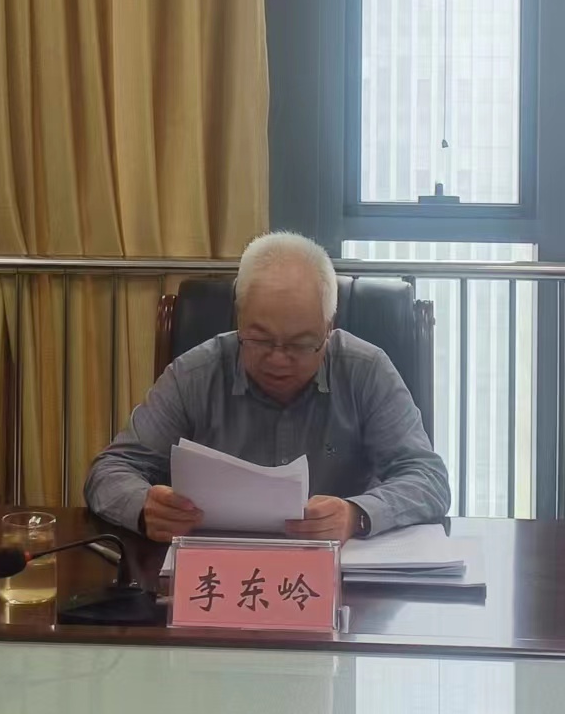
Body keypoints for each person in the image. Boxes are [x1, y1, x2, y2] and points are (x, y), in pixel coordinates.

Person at [85, 231, 449, 542]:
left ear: (328, 326)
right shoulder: (195, 374)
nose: (278, 359)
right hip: (216, 571)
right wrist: (145, 507)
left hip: (335, 575)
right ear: (239, 317)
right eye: (259, 339)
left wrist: (357, 514)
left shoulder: (365, 370)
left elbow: (428, 478)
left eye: (300, 344)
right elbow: (110, 471)